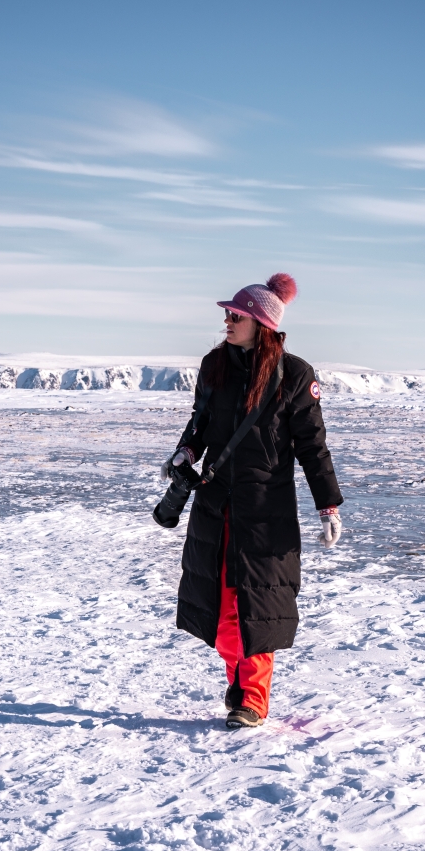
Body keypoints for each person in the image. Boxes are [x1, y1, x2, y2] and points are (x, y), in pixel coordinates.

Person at [162, 272, 343, 729]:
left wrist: (328, 505)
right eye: (227, 314)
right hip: (217, 504)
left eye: (235, 315)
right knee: (223, 607)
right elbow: (200, 422)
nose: (226, 320)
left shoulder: (295, 374)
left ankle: (253, 698)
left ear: (260, 322)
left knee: (256, 609)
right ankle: (239, 681)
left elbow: (312, 446)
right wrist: (185, 451)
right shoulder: (215, 365)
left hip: (266, 513)